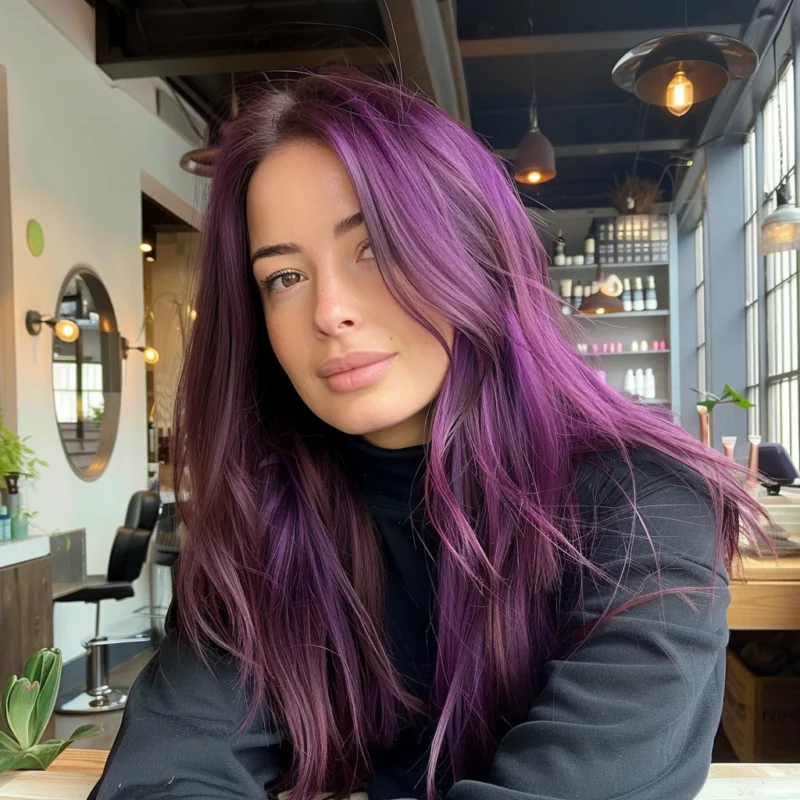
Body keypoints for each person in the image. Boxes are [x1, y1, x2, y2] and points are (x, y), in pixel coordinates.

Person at [89, 69, 765, 800]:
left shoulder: (643, 501)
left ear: (472, 249)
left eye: (373, 246)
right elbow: (164, 775)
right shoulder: (267, 520)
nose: (330, 311)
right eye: (284, 277)